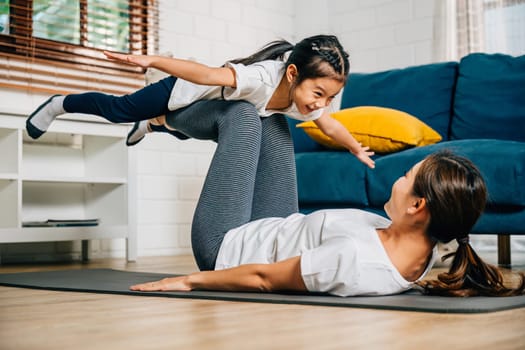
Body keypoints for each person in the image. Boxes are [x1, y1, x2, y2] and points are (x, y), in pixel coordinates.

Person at [127, 97, 524, 297]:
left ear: (417, 206)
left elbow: (264, 278)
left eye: (406, 177)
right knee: (276, 117)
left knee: (243, 117)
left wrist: (192, 281)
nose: (397, 180)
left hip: (229, 245)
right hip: (281, 226)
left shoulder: (352, 258)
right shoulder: (424, 248)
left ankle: (158, 117)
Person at [25, 34, 375, 168]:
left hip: (207, 111)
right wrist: (152, 60)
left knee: (188, 130)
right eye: (318, 94)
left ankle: (153, 124)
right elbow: (205, 75)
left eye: (330, 96)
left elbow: (329, 124)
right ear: (292, 73)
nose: (321, 104)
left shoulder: (309, 101)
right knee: (120, 110)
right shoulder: (259, 79)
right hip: (182, 91)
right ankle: (61, 103)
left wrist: (355, 149)